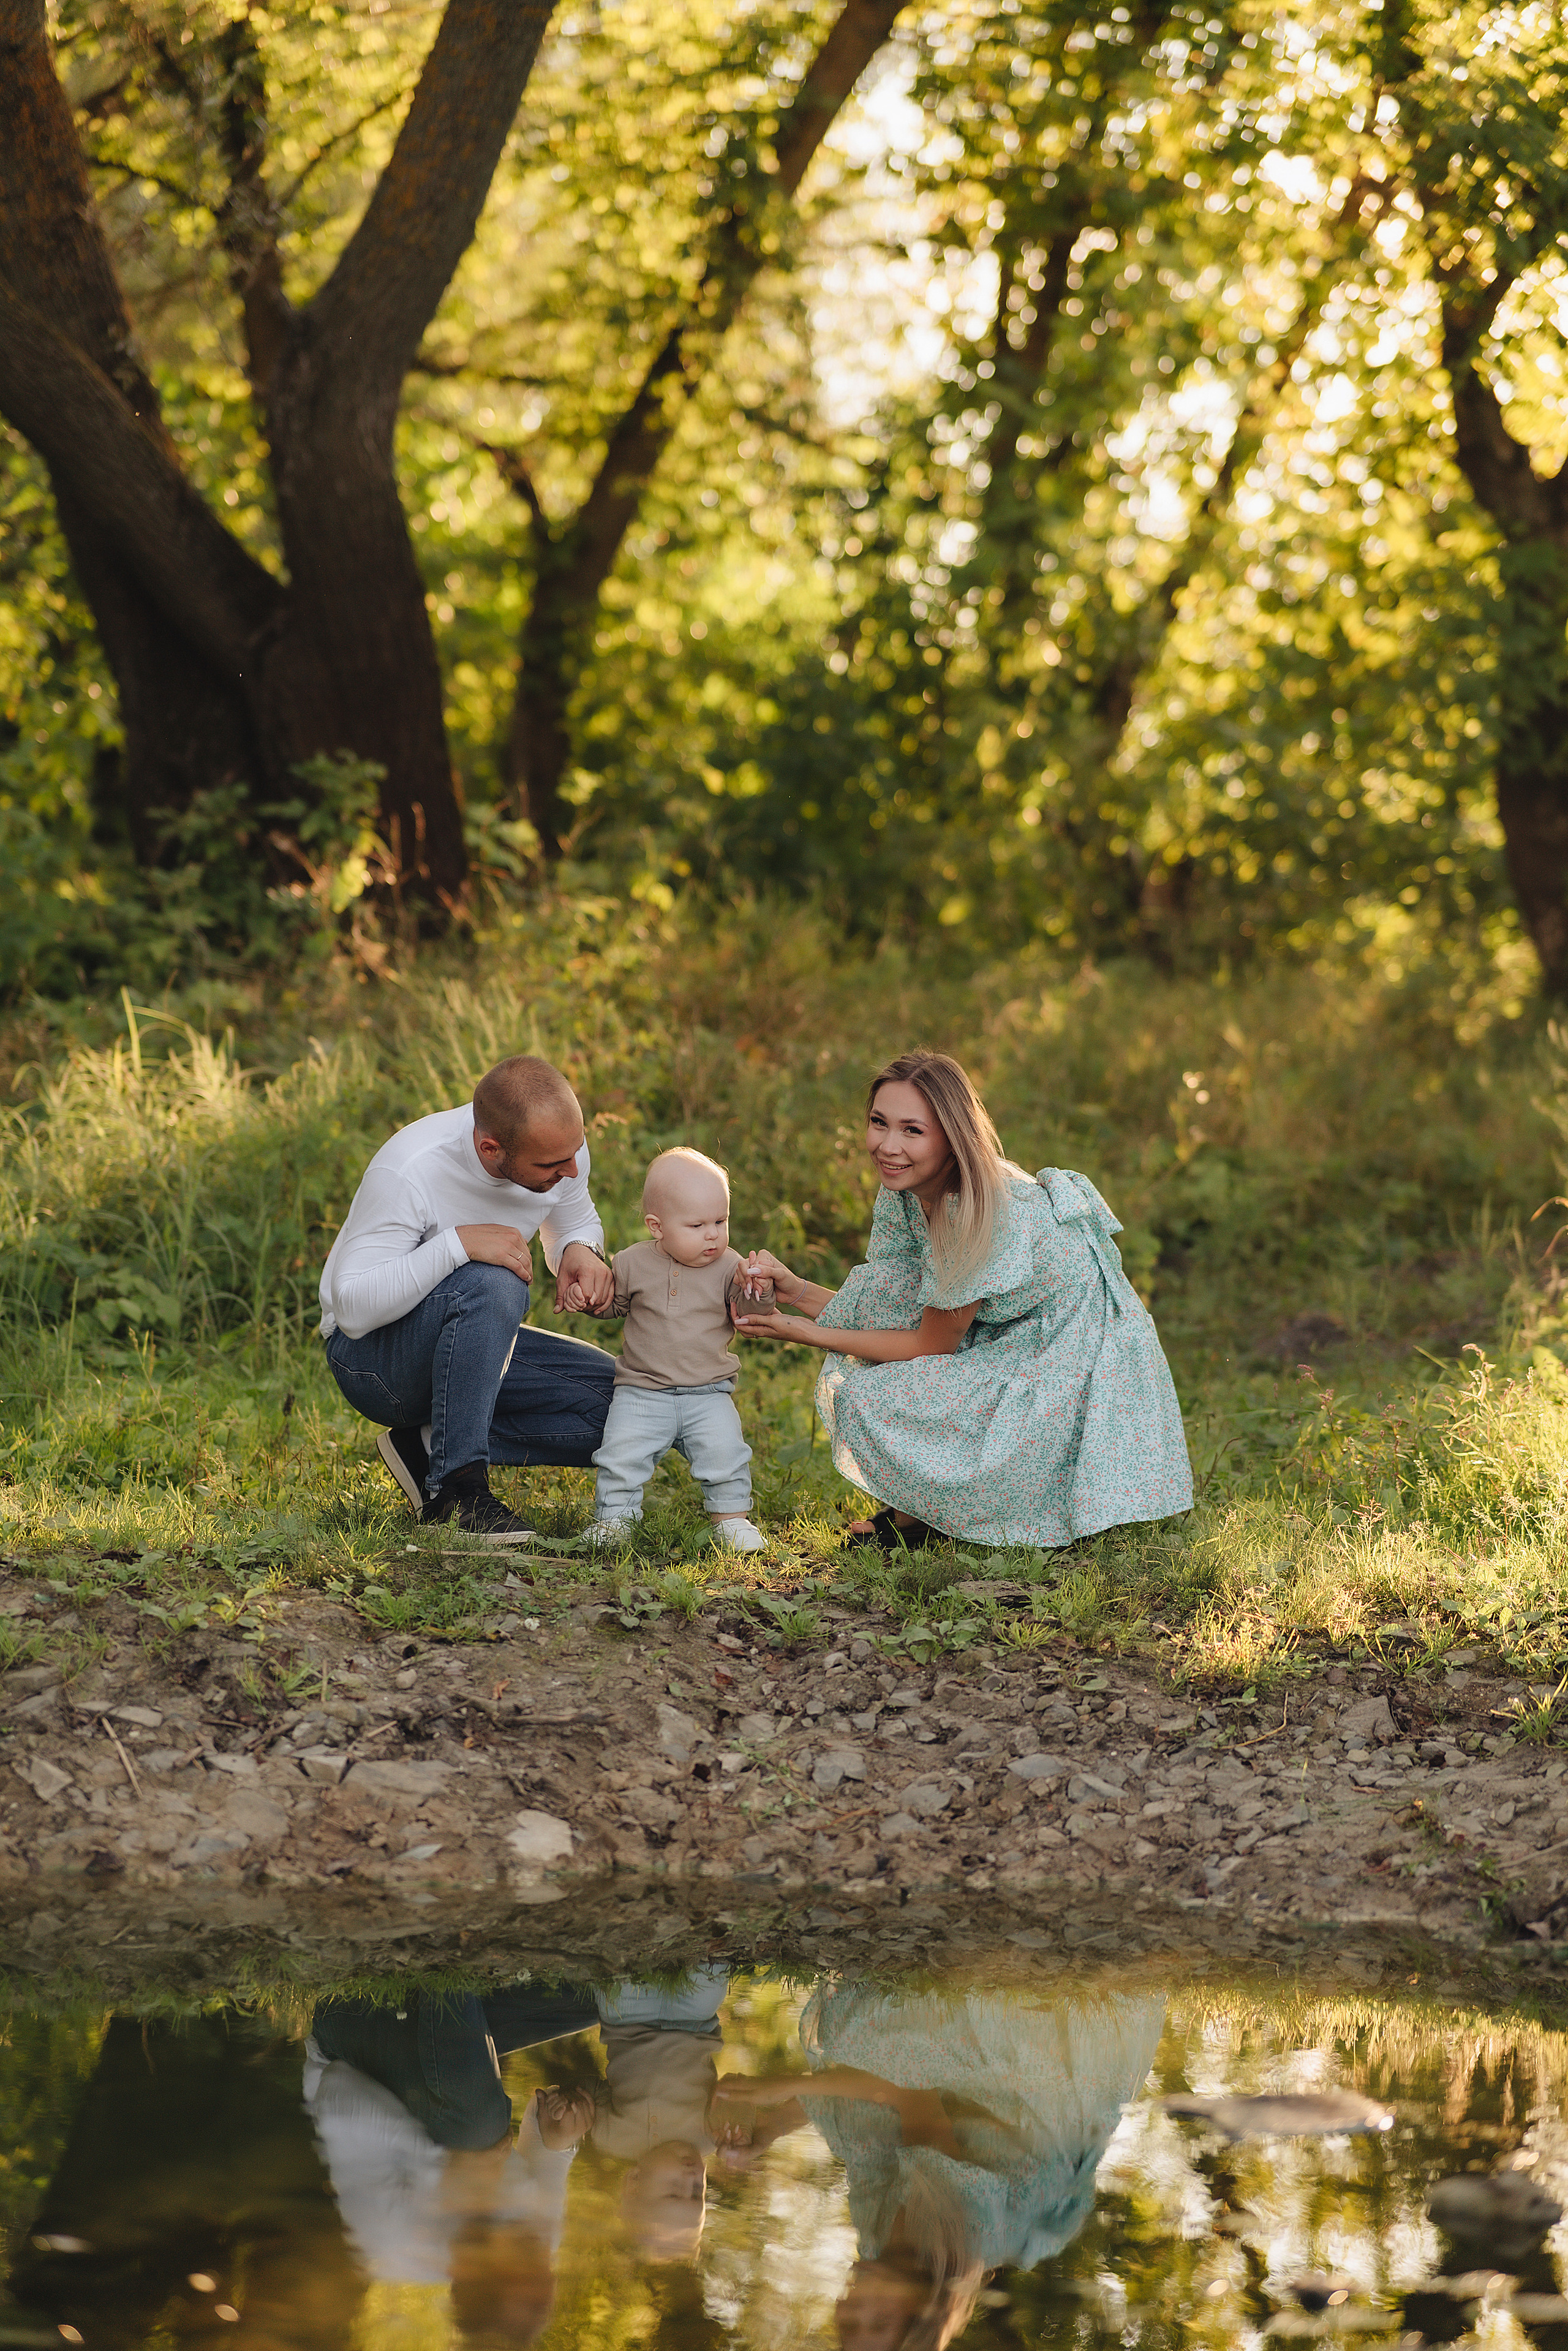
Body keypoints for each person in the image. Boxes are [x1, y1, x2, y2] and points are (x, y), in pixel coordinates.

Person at [732, 1049, 1193, 1550]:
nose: (888, 1146)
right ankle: (920, 1517)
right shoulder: (908, 1189)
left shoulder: (968, 1209)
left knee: (871, 1394)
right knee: (882, 1357)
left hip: (1075, 1349)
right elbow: (892, 1305)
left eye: (913, 1130)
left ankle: (936, 1519)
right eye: (879, 1122)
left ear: (953, 1138)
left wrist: (801, 1332)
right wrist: (796, 1291)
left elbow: (930, 1345)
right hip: (1015, 1326)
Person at [712, 1977, 1166, 2350]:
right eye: (878, 2322)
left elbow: (864, 2123)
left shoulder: (879, 2242)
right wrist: (785, 2084)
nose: (856, 2309)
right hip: (1033, 2095)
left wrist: (769, 2129)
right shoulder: (962, 2230)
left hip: (968, 2107)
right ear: (919, 2308)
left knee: (862, 2040)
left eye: (849, 2326)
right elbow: (910, 2095)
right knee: (860, 2034)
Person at [318, 1053, 618, 1542]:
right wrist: (456, 1245)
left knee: (630, 1405)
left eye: (576, 1152)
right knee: (494, 1281)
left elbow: (574, 1219)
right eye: (551, 1164)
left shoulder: (560, 1151)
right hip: (374, 1364)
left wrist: (578, 1250)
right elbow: (352, 1310)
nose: (570, 1169)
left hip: (469, 1345)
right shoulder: (411, 1167)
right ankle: (457, 1493)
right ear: (490, 1148)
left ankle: (426, 1449)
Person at [573, 1147, 769, 1552]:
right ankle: (616, 1520)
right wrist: (591, 1300)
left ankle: (732, 1521)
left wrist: (757, 1292)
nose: (712, 1234)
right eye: (697, 1225)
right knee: (621, 1457)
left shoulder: (730, 1266)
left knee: (726, 1456)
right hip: (642, 1391)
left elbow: (749, 1317)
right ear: (657, 1227)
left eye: (721, 1221)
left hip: (709, 1392)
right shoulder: (631, 1263)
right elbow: (613, 1305)